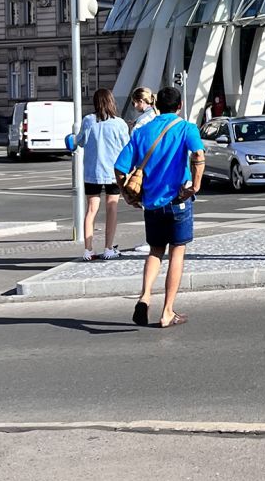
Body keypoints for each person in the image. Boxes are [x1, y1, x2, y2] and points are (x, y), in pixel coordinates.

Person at [113, 85, 204, 328]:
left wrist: (127, 194)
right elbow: (198, 155)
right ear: (179, 106)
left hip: (151, 203)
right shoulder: (186, 128)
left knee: (155, 251)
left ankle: (144, 297)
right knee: (177, 251)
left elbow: (119, 167)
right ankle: (167, 312)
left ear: (156, 105)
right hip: (178, 201)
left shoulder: (142, 132)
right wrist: (195, 185)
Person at [74, 88, 131, 260]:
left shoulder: (88, 120)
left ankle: (88, 249)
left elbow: (80, 141)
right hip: (113, 172)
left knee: (91, 210)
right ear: (111, 101)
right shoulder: (119, 123)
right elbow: (126, 146)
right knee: (111, 208)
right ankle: (108, 248)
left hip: (92, 172)